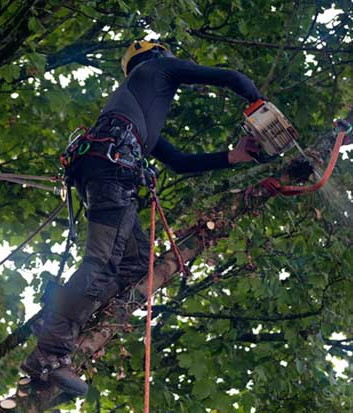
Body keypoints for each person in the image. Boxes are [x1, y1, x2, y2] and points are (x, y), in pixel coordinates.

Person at [21, 40, 263, 396]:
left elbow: (179, 162)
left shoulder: (139, 119)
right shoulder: (155, 69)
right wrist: (258, 103)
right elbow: (229, 76)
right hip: (111, 170)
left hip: (108, 170)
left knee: (135, 266)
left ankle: (58, 317)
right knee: (101, 265)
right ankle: (50, 353)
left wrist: (235, 157)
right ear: (155, 56)